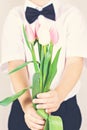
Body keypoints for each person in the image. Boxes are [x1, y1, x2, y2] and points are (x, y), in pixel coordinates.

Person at [0, 0, 87, 130]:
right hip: (25, 107)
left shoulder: (72, 14)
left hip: (65, 106)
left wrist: (59, 94)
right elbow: (16, 64)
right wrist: (27, 105)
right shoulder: (15, 16)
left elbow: (75, 62)